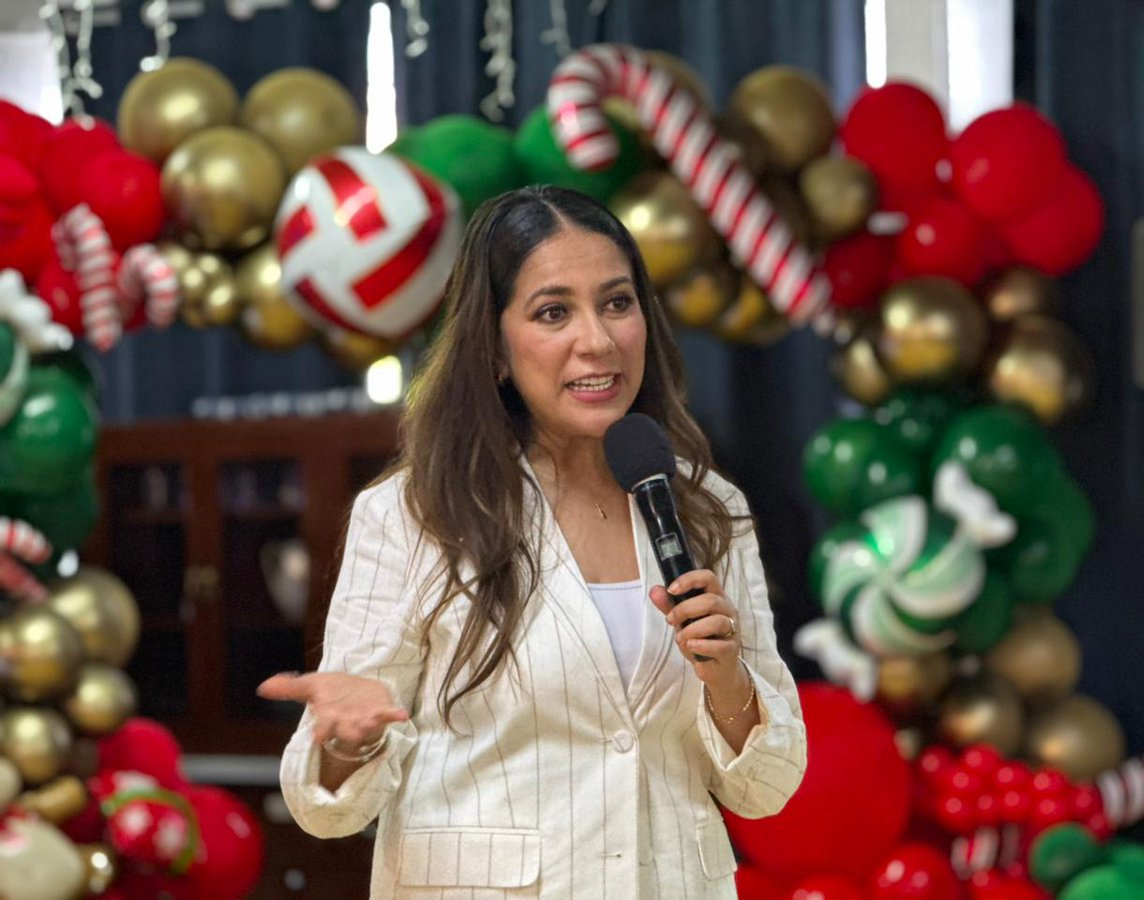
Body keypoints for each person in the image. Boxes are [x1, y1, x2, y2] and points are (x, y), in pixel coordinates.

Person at [258, 184, 806, 899]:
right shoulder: (413, 512)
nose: (599, 339)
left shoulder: (706, 508)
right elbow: (327, 809)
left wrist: (729, 683)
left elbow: (767, 790)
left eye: (617, 302)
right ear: (494, 347)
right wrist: (347, 742)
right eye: (555, 312)